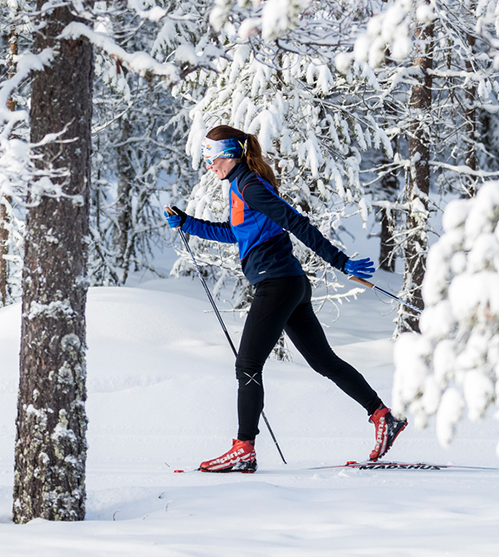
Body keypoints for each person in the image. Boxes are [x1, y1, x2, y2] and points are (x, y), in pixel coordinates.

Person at [164, 124, 405, 473]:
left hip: (277, 284)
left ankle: (244, 448)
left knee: (247, 366)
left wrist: (340, 262)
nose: (208, 166)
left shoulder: (249, 186)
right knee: (324, 362)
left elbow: (296, 222)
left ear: (229, 154)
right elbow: (235, 233)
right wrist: (188, 223)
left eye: (211, 157)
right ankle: (383, 416)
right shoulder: (240, 186)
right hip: (288, 283)